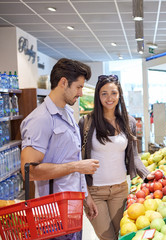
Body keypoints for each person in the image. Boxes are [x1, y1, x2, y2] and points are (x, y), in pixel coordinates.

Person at [20, 58, 100, 240]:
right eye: (78, 87)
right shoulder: (40, 119)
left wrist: (85, 197)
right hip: (52, 215)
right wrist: (76, 166)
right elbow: (28, 171)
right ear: (63, 82)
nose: (80, 93)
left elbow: (70, 158)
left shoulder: (68, 114)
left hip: (72, 209)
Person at [78, 75, 149, 240]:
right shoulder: (86, 123)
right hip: (94, 192)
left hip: (120, 189)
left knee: (123, 235)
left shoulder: (128, 122)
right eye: (104, 93)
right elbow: (78, 161)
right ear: (98, 96)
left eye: (113, 93)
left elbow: (134, 157)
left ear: (119, 95)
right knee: (107, 237)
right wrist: (86, 196)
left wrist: (147, 175)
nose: (109, 98)